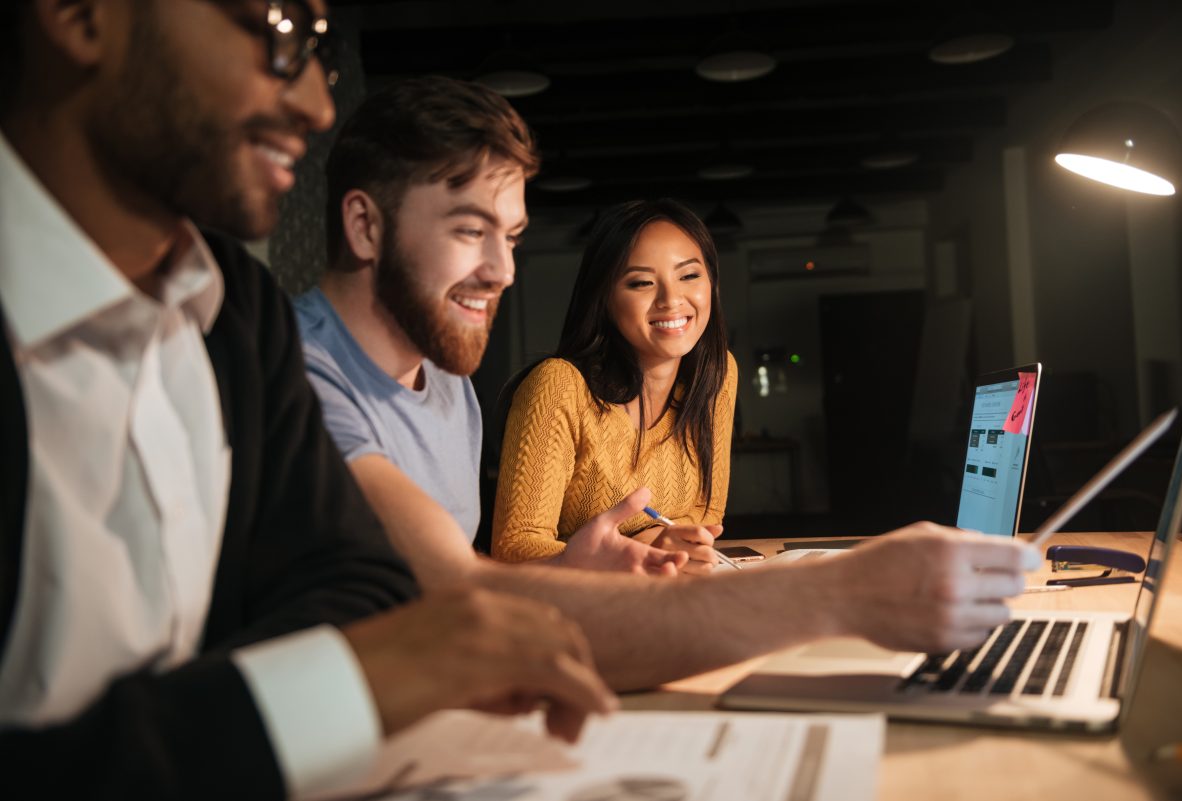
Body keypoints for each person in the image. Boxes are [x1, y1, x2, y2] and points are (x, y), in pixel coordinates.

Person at [0, 3, 616, 799]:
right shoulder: (286, 337)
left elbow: (357, 582)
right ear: (79, 13)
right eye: (276, 25)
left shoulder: (233, 306)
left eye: (316, 45)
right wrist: (338, 686)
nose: (318, 106)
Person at [299, 75, 1042, 693]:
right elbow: (458, 589)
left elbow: (453, 600)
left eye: (513, 237)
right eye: (470, 230)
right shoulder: (298, 374)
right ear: (365, 226)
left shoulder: (444, 377)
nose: (503, 271)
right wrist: (844, 591)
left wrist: (577, 568)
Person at [492, 199, 735, 573]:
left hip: (663, 589)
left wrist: (654, 543)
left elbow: (706, 511)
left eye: (689, 276)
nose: (671, 300)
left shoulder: (716, 372)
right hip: (572, 601)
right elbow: (514, 547)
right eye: (641, 283)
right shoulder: (558, 386)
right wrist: (642, 547)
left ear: (712, 282)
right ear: (604, 297)